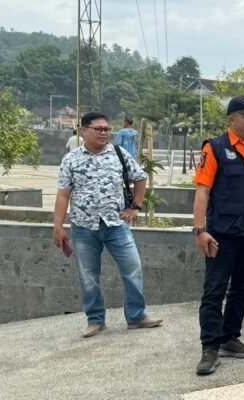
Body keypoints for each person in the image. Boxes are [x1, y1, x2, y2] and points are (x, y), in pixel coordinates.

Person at [52, 112, 162, 339]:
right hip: (84, 227)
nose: (104, 133)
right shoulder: (71, 160)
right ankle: (95, 320)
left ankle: (136, 316)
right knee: (88, 276)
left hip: (116, 225)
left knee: (133, 268)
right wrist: (58, 226)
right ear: (84, 131)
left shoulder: (119, 154)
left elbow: (140, 177)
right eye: (98, 129)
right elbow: (63, 195)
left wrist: (136, 207)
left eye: (106, 129)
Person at [192, 95, 244, 376]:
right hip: (222, 234)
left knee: (242, 288)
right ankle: (210, 347)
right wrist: (200, 230)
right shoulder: (215, 147)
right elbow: (202, 190)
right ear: (231, 120)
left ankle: (230, 337)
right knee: (214, 291)